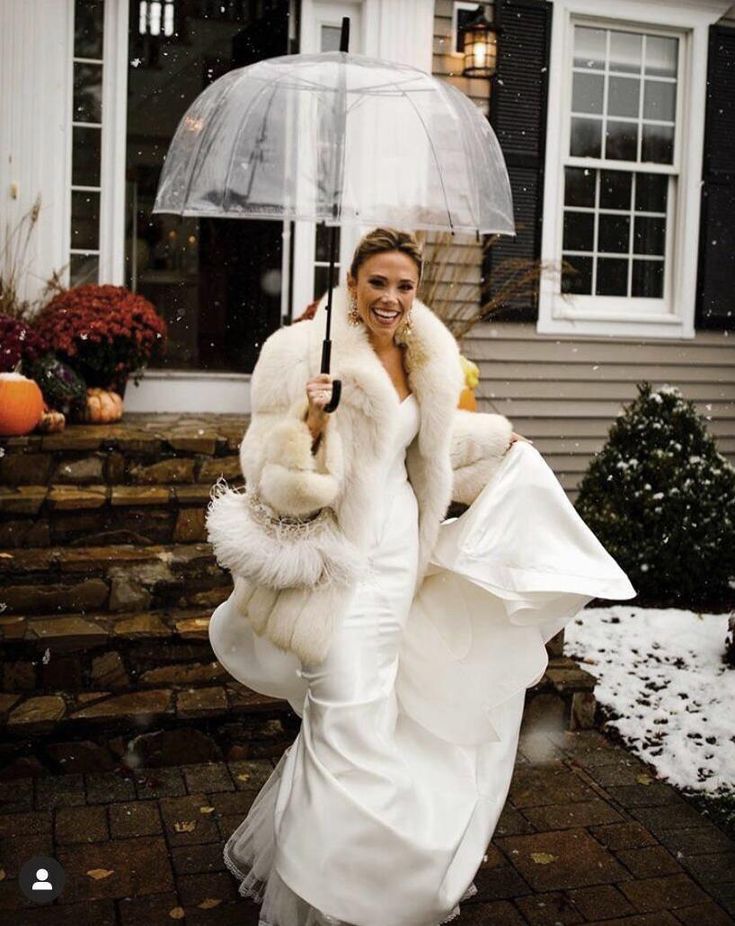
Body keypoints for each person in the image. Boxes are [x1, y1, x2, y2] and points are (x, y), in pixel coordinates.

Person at [208, 228, 636, 926]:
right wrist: (307, 424)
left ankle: (353, 872)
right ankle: (332, 894)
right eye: (377, 282)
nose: (391, 298)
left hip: (396, 568)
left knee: (372, 720)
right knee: (342, 717)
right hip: (333, 567)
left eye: (403, 285)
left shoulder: (427, 355)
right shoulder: (297, 353)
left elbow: (428, 446)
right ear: (351, 284)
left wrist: (500, 439)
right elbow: (267, 480)